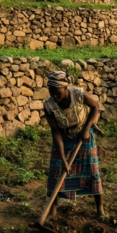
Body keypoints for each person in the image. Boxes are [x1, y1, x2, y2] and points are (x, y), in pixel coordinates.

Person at [42, 71, 104, 222]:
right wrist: (63, 158)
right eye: (51, 93)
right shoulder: (49, 105)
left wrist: (86, 128)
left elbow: (96, 106)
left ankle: (100, 208)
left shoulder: (78, 94)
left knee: (92, 170)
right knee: (56, 172)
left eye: (57, 93)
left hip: (84, 137)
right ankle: (52, 212)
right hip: (63, 137)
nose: (55, 97)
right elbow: (55, 131)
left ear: (65, 88)